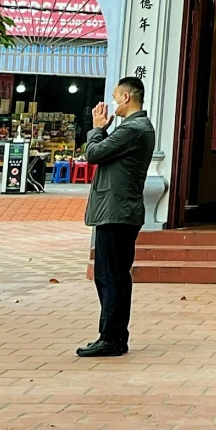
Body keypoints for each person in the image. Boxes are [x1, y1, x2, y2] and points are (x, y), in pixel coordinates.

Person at [78, 74, 155, 356]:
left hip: (116, 213)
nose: (112, 104)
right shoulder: (135, 129)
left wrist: (96, 129)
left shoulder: (133, 128)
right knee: (116, 276)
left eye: (114, 96)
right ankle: (115, 336)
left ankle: (111, 337)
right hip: (120, 211)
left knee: (110, 276)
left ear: (126, 97)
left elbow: (94, 153)